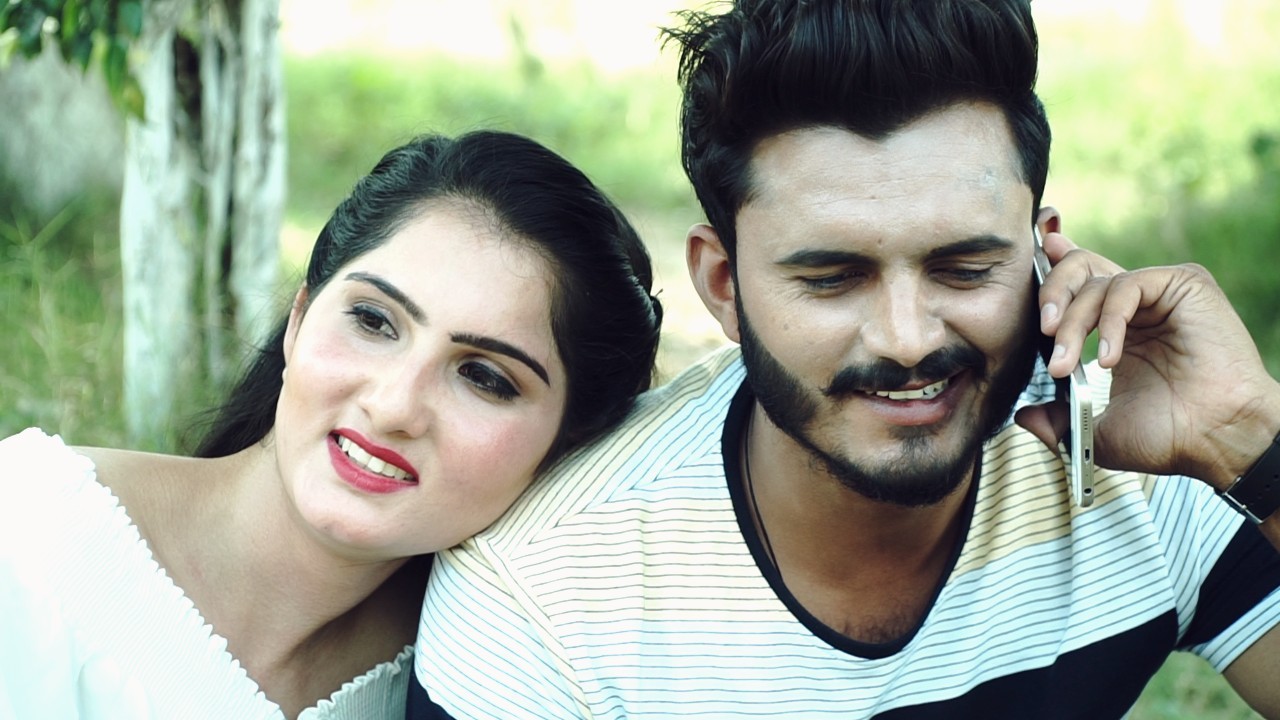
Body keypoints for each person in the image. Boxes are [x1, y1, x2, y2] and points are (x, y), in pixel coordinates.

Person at [408, 1, 1280, 718]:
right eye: (832, 278)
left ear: (1041, 248)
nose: (907, 338)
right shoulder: (545, 601)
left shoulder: (1139, 452)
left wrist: (1250, 438)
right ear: (723, 284)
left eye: (964, 268)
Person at [0, 129, 662, 719]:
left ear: (567, 445)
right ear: (299, 319)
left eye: (484, 377)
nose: (394, 406)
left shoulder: (483, 682)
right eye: (373, 321)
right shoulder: (29, 536)